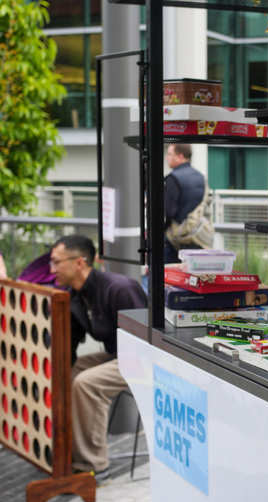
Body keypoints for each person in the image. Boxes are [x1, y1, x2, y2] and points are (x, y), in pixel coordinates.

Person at [49, 235, 147, 481]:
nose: (52, 270)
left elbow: (144, 341)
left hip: (143, 357)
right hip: (117, 355)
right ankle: (67, 449)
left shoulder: (120, 288)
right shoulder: (75, 296)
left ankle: (94, 465)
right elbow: (68, 346)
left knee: (86, 383)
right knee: (67, 372)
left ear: (79, 262)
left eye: (56, 262)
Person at [164, 144, 211, 263]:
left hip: (175, 240)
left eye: (169, 154)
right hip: (197, 237)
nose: (166, 157)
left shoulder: (172, 178)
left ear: (180, 156)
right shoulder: (200, 177)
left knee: (170, 276)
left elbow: (168, 211)